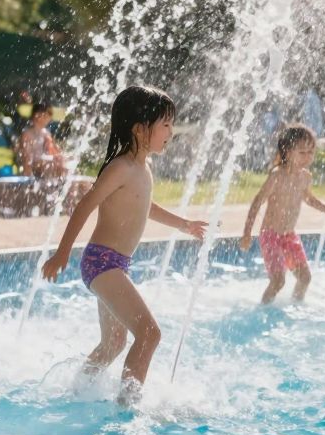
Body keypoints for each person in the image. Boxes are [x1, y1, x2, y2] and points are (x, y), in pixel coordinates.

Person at [38, 85, 208, 404]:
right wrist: (61, 253)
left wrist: (184, 224)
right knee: (149, 334)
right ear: (140, 129)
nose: (171, 131)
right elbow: (85, 205)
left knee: (114, 343)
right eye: (166, 124)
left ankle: (76, 390)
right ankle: (127, 409)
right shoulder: (121, 168)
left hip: (114, 265)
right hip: (102, 262)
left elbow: (146, 206)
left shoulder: (144, 168)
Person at [241, 124, 325, 304]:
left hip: (289, 236)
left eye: (311, 152)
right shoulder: (276, 176)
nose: (308, 157)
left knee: (305, 278)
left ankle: (296, 305)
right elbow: (257, 202)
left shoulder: (305, 177)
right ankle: (263, 309)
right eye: (302, 152)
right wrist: (247, 233)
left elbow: (309, 199)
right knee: (278, 281)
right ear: (287, 152)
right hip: (271, 235)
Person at [16, 102, 70, 180]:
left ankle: (63, 186)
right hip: (33, 167)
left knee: (65, 165)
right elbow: (26, 157)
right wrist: (28, 175)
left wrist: (63, 157)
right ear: (37, 116)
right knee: (51, 165)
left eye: (49, 116)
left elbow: (55, 151)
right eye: (47, 115)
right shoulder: (27, 134)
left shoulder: (46, 133)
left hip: (44, 164)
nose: (49, 118)